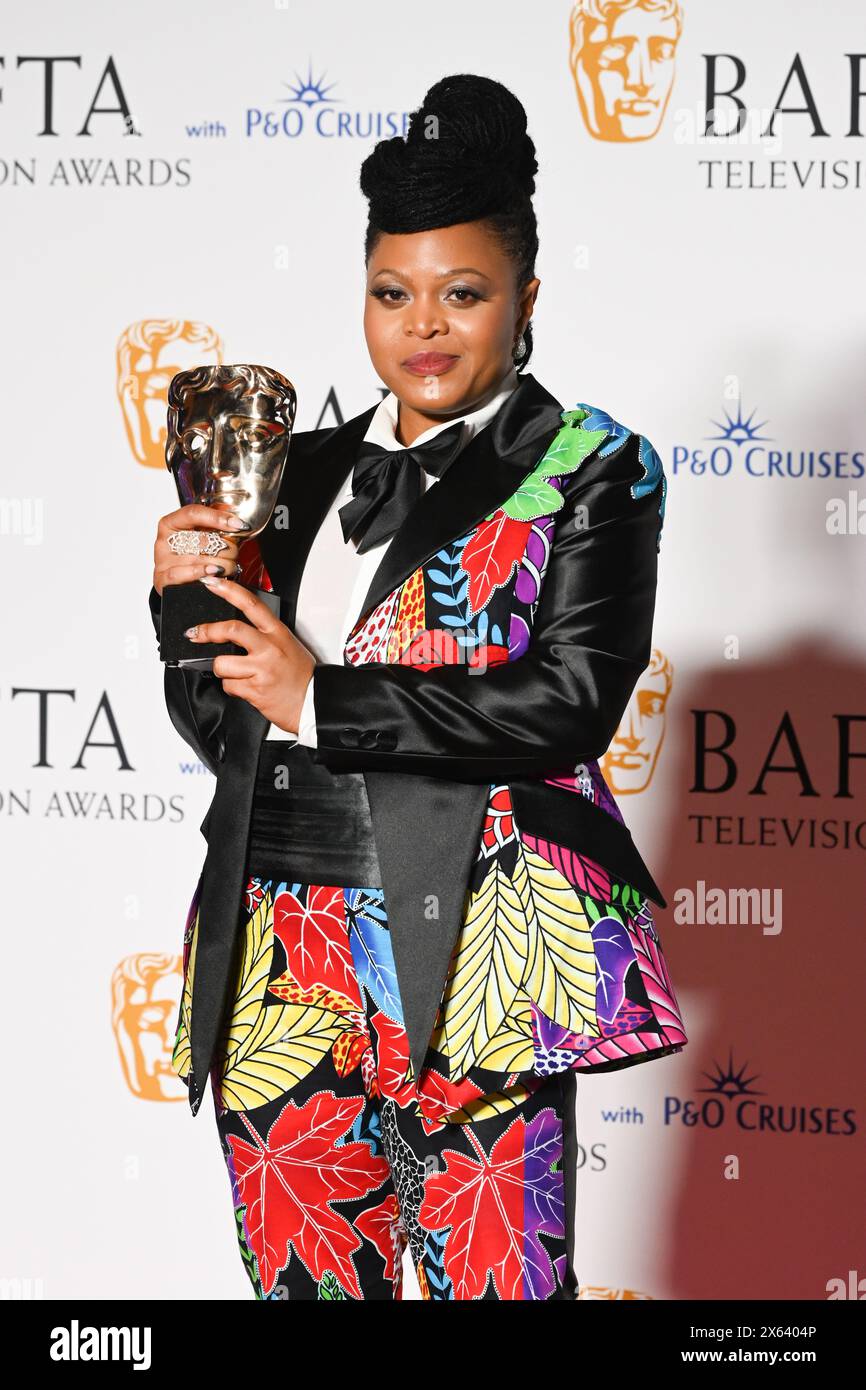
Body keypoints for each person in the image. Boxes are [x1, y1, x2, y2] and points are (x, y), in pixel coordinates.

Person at [149, 73, 687, 1302]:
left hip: (476, 942)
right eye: (392, 294)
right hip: (278, 948)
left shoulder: (591, 466)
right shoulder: (303, 469)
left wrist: (323, 698)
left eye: (462, 293)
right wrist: (179, 608)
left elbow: (569, 703)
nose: (422, 327)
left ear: (525, 299)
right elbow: (227, 723)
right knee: (303, 1291)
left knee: (499, 1289)